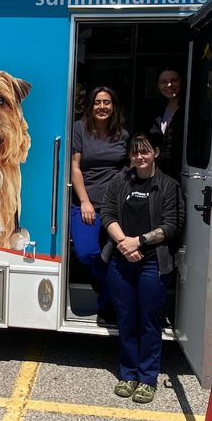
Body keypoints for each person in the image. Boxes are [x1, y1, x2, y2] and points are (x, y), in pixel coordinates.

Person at [99, 133, 185, 404]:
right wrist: (123, 243)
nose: (140, 157)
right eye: (135, 152)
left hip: (152, 262)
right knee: (126, 319)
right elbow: (107, 214)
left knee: (149, 321)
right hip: (121, 261)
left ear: (156, 153)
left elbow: (172, 225)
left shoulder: (168, 186)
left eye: (145, 151)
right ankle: (128, 374)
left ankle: (147, 378)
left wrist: (139, 242)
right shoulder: (119, 181)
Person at [69, 86, 129, 321]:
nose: (102, 107)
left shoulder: (122, 135)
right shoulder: (79, 129)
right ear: (91, 106)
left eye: (107, 102)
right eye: (97, 102)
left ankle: (107, 307)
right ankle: (100, 277)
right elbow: (75, 167)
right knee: (87, 252)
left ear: (113, 106)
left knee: (117, 254)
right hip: (88, 202)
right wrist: (84, 201)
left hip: (115, 204)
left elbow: (127, 166)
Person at [149, 68, 184, 177]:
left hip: (181, 171)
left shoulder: (188, 108)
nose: (169, 85)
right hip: (161, 172)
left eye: (174, 80)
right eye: (163, 82)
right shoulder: (157, 109)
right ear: (158, 86)